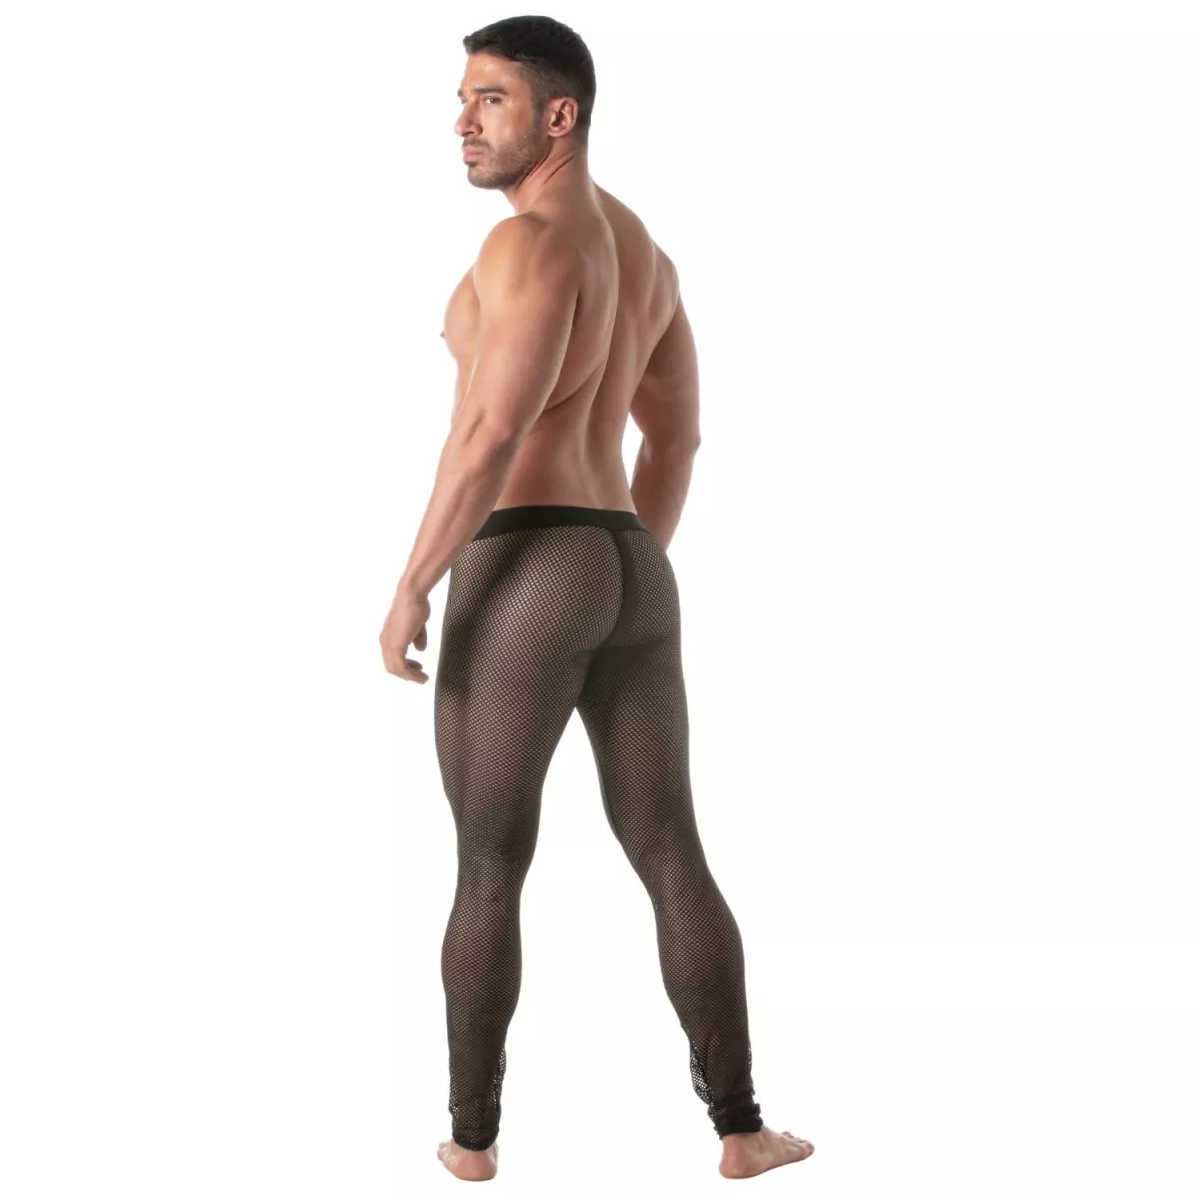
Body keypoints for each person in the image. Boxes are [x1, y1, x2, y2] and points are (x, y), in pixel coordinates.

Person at [378, 15, 814, 1183]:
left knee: (488, 863)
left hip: (525, 554)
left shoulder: (526, 245)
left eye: (490, 99)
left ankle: (473, 1142)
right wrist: (615, 575)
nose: (463, 122)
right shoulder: (644, 254)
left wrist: (414, 582)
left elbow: (491, 432)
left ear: (559, 115)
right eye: (461, 99)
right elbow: (677, 439)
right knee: (671, 847)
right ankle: (742, 1128)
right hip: (630, 561)